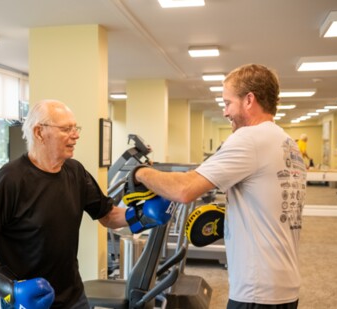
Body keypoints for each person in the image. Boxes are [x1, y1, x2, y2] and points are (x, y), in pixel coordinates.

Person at [0, 99, 173, 309]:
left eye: (75, 128)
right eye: (66, 129)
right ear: (39, 132)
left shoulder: (75, 172)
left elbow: (107, 215)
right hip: (29, 300)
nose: (76, 135)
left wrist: (141, 215)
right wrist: (10, 288)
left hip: (73, 296)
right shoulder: (10, 180)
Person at [129, 64, 306, 308]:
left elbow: (184, 190)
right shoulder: (287, 142)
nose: (225, 112)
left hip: (257, 290)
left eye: (227, 103)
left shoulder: (249, 138)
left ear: (249, 100)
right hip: (283, 285)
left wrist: (141, 173)